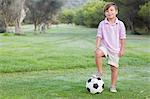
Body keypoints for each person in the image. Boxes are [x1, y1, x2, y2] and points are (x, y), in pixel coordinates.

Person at [94, 2, 126, 93]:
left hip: (115, 49)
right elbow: (99, 36)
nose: (109, 12)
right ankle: (100, 72)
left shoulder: (120, 24)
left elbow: (122, 38)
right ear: (105, 13)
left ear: (116, 12)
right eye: (106, 11)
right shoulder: (102, 24)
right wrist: (97, 46)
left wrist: (122, 49)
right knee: (98, 53)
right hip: (105, 47)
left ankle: (113, 86)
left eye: (111, 10)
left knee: (114, 68)